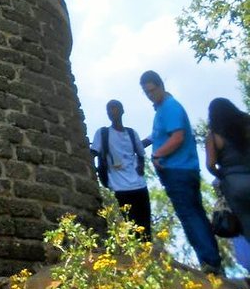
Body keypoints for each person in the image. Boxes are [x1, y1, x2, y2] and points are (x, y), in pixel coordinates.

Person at [139, 70, 222, 274]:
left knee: (190, 216)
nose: (149, 95)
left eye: (151, 90)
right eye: (145, 93)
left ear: (160, 85)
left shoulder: (170, 107)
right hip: (182, 171)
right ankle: (210, 260)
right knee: (195, 215)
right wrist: (146, 143)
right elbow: (161, 134)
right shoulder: (163, 109)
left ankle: (210, 262)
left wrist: (157, 155)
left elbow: (178, 137)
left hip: (179, 171)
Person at [91, 100, 151, 239]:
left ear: (122, 110)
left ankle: (148, 250)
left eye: (115, 108)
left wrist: (141, 166)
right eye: (109, 109)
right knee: (131, 222)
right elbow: (93, 152)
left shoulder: (131, 133)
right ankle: (137, 252)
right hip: (120, 186)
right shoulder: (103, 133)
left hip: (139, 184)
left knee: (145, 223)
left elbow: (141, 153)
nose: (112, 111)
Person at [206, 97, 250, 241]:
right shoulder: (247, 124)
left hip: (234, 185)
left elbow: (210, 165)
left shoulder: (213, 136)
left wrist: (222, 175)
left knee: (246, 223)